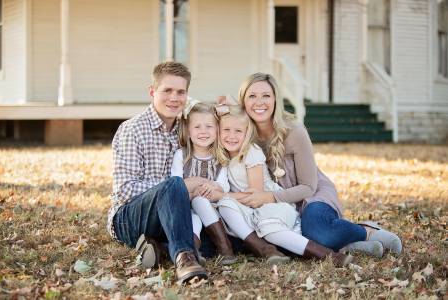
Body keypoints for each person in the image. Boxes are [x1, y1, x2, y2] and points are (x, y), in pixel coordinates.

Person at [234, 72, 402, 258]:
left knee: (315, 231)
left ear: (275, 100)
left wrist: (269, 197)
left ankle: (365, 231)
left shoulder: (294, 131)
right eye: (252, 96)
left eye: (266, 95)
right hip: (277, 208)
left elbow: (308, 186)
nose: (259, 102)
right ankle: (351, 246)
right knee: (273, 237)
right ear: (243, 102)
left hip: (310, 197)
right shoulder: (240, 134)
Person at [215, 104, 353, 266]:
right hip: (252, 210)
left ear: (247, 133)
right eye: (226, 130)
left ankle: (329, 255)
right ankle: (261, 246)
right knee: (225, 206)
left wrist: (221, 195)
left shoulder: (250, 153)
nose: (231, 136)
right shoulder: (223, 155)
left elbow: (255, 195)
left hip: (270, 205)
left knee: (271, 230)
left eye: (238, 131)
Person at [108, 62, 208, 284]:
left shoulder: (186, 128)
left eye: (181, 92)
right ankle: (184, 258)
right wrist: (180, 186)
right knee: (174, 184)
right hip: (128, 218)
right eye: (167, 90)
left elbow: (208, 120)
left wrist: (222, 110)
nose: (174, 98)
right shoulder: (132, 129)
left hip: (171, 216)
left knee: (213, 235)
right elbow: (124, 191)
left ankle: (160, 248)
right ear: (152, 92)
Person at [170, 101, 237, 265]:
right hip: (186, 208)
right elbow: (176, 183)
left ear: (217, 130)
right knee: (194, 219)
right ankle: (194, 253)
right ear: (188, 130)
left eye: (209, 126)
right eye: (197, 127)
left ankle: (225, 248)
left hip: (212, 209)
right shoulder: (182, 155)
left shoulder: (220, 157)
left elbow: (224, 185)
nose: (203, 131)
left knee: (201, 203)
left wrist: (214, 186)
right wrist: (196, 191)